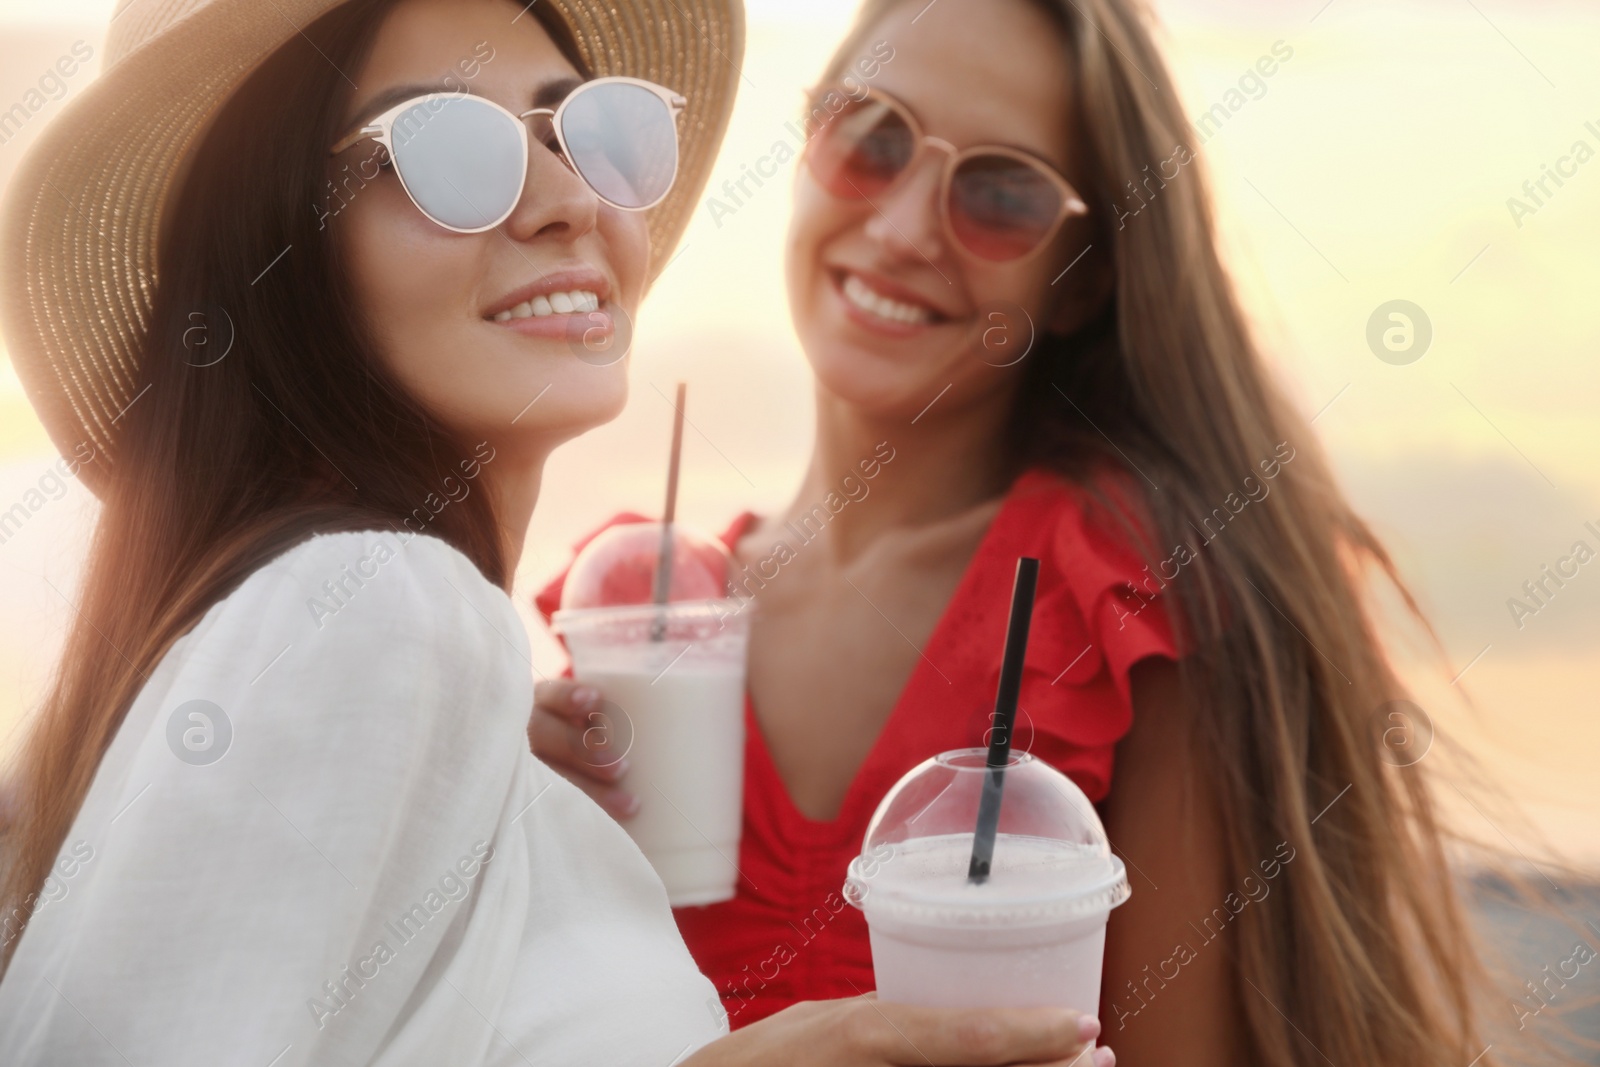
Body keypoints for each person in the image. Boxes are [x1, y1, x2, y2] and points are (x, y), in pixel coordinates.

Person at [0, 0, 1103, 1064]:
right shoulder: (385, 602)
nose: (567, 200)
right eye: (448, 149)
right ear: (273, 250)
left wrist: (479, 784)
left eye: (593, 130)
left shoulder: (394, 651)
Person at [531, 0, 1506, 1063]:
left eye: (1000, 193)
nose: (903, 228)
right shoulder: (646, 611)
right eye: (870, 135)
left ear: (1081, 275)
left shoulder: (1124, 595)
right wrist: (519, 836)